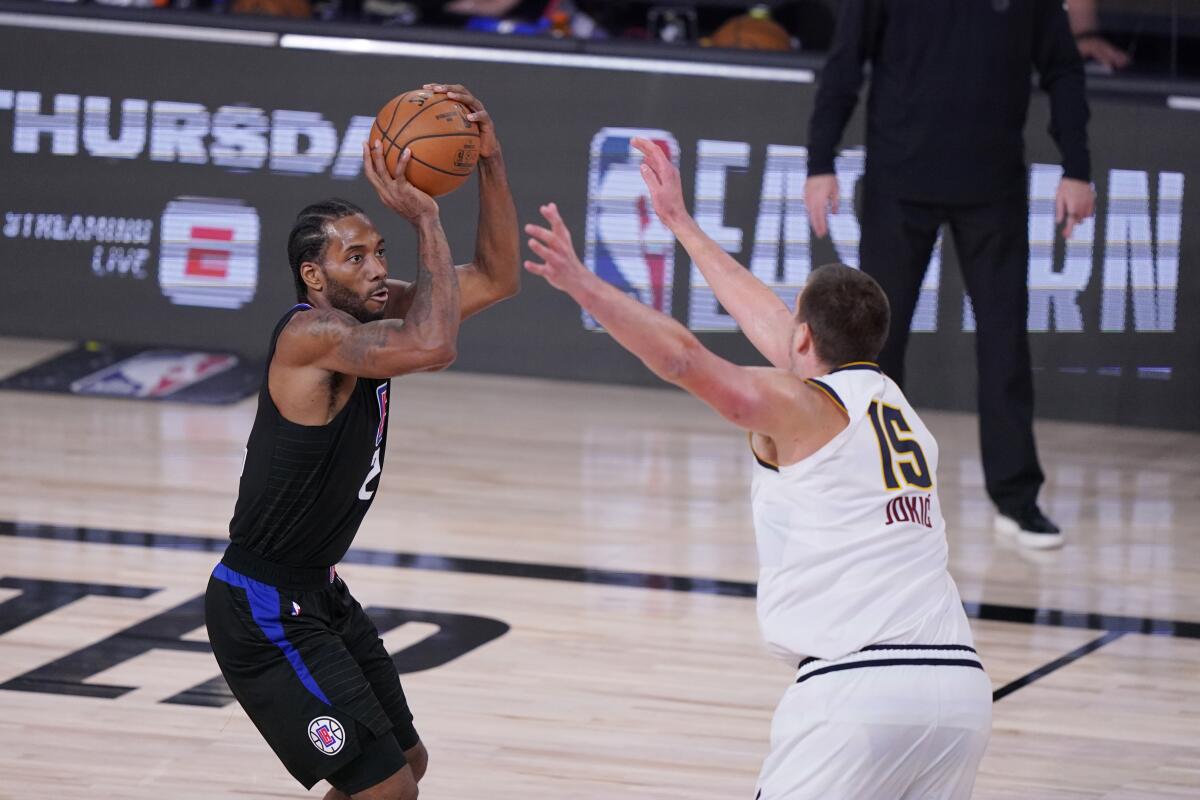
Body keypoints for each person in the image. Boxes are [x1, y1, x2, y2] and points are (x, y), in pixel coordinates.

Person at [524, 138, 992, 799]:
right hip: (960, 690)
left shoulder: (805, 409)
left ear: (805, 338)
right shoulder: (899, 410)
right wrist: (682, 224)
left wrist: (586, 286)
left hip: (857, 692)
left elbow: (685, 360)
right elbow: (774, 322)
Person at [204, 83, 518, 800]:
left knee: (406, 765)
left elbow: (499, 278)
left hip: (320, 590)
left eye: (379, 251)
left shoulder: (377, 313)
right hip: (261, 606)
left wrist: (491, 163)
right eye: (356, 258)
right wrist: (426, 217)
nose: (377, 268)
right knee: (387, 791)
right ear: (314, 276)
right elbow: (436, 343)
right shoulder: (311, 335)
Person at [804, 0, 1097, 548]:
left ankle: (1016, 499)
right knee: (873, 353)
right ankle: (867, 490)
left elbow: (1062, 67)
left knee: (1005, 343)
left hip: (993, 188)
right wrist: (820, 159)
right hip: (898, 183)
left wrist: (1077, 166)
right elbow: (846, 62)